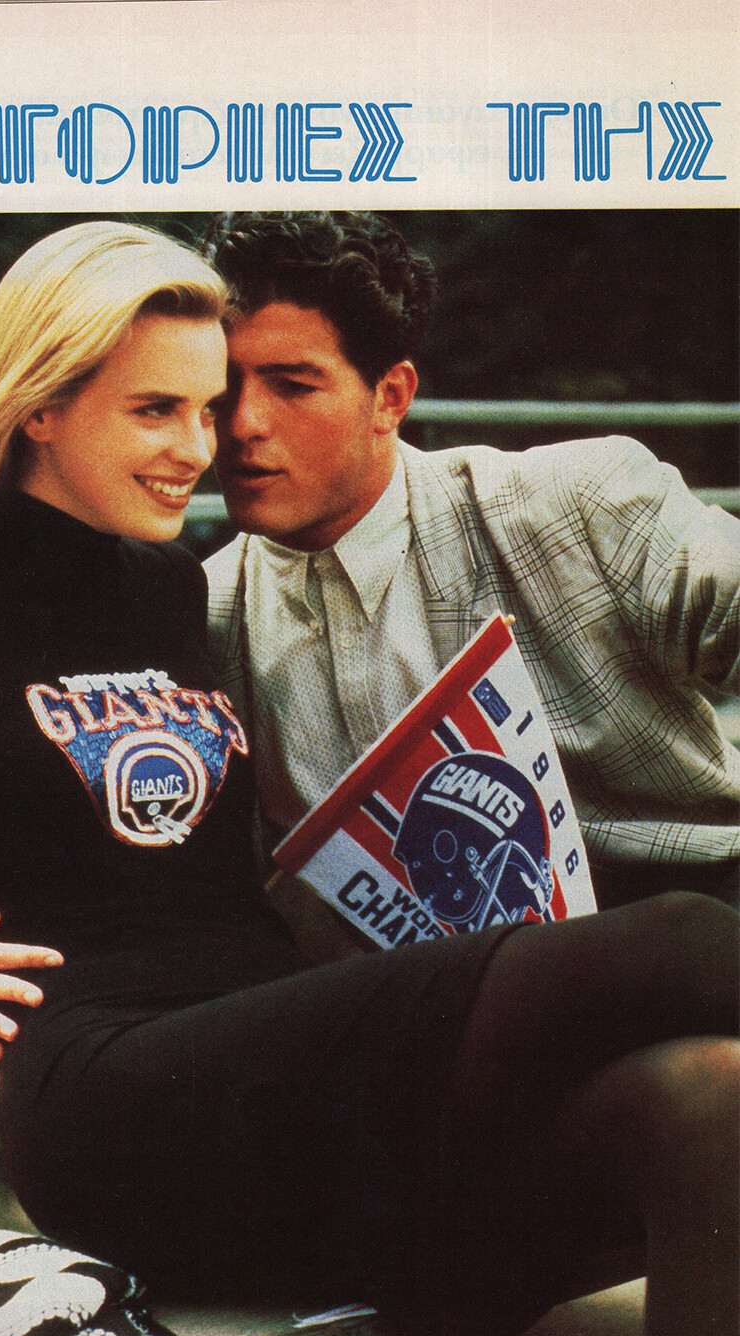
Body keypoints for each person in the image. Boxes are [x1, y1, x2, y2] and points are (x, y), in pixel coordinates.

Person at [0, 219, 735, 1336]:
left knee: (706, 1101)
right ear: (40, 403)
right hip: (111, 1089)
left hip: (292, 1075)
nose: (200, 447)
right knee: (669, 942)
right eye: (154, 410)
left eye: (205, 409)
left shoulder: (173, 587)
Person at [203, 210, 740, 912]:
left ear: (390, 397)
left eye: (292, 386)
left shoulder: (573, 501)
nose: (243, 424)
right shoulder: (206, 613)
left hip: (695, 916)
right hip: (453, 969)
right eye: (220, 388)